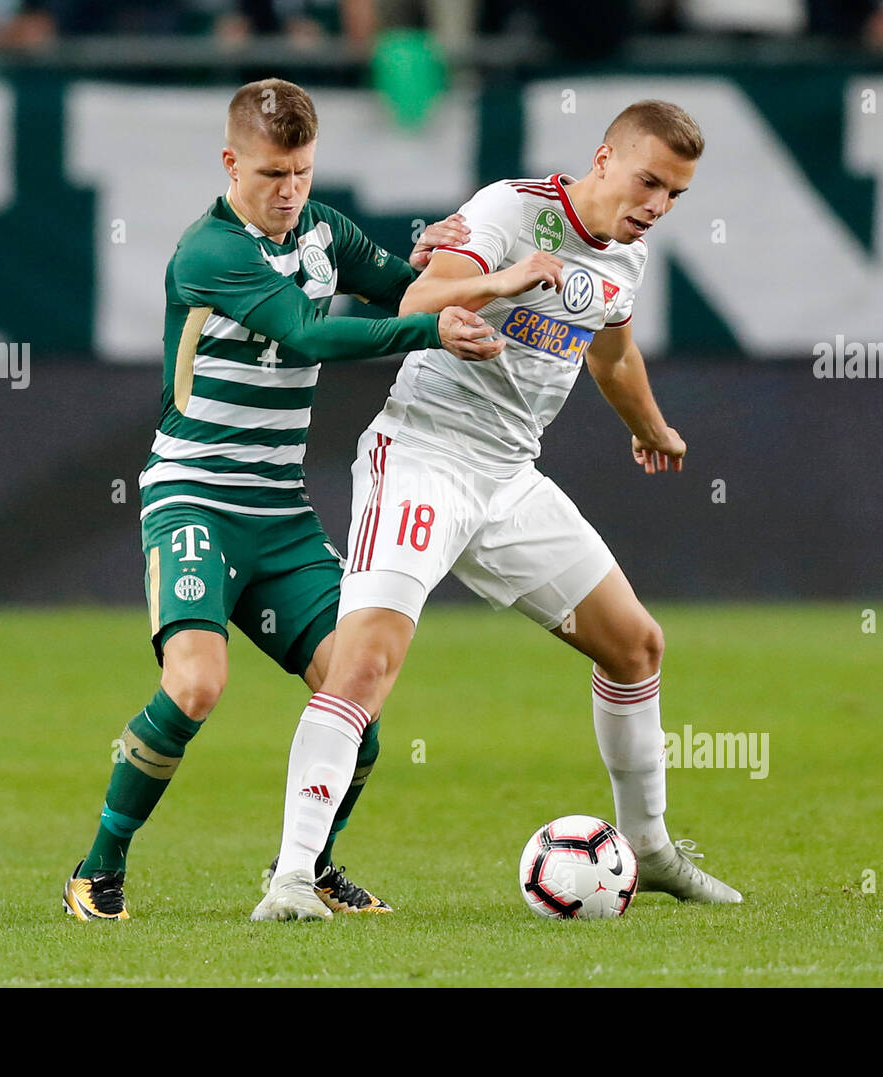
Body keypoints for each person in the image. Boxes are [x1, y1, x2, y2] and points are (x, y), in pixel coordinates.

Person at [254, 99, 742, 922]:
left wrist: (650, 426)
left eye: (676, 195)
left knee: (635, 645)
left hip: (508, 477)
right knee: (364, 666)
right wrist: (500, 281)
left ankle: (650, 849)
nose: (657, 205)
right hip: (422, 455)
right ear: (604, 158)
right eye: (649, 181)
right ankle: (292, 879)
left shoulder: (629, 259)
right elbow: (417, 299)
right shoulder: (512, 210)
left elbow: (613, 353)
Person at [63, 77, 500, 921]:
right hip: (194, 500)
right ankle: (98, 866)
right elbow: (311, 333)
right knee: (196, 684)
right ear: (231, 163)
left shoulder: (321, 229)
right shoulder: (208, 251)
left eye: (301, 172)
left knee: (358, 690)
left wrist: (447, 260)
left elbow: (396, 286)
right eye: (271, 174)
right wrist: (428, 328)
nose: (289, 191)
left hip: (280, 514)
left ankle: (309, 865)